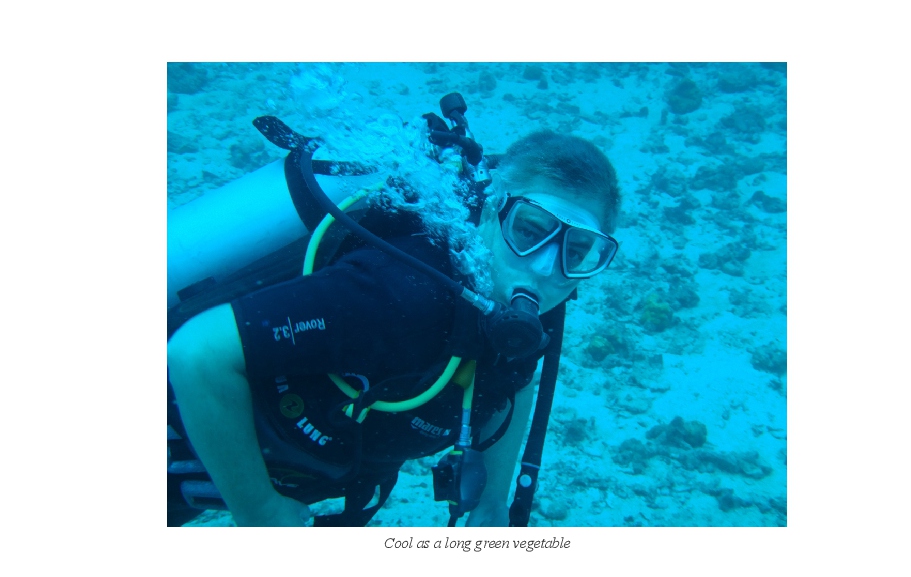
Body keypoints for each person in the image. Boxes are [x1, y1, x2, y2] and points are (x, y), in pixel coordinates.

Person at [167, 130, 621, 527]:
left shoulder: (526, 296)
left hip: (296, 469)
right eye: (530, 230)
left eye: (578, 250)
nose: (545, 267)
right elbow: (197, 354)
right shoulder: (398, 295)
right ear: (490, 211)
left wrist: (492, 500)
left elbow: (516, 378)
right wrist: (259, 511)